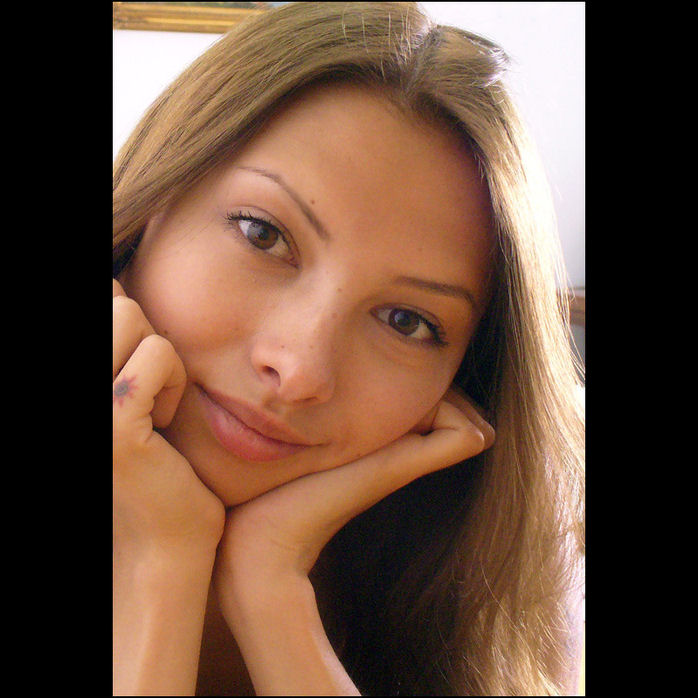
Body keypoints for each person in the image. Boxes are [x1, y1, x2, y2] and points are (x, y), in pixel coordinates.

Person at [113, 2, 585, 695]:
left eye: (406, 321)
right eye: (263, 235)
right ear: (150, 208)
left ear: (462, 380)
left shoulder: (496, 588)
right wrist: (160, 563)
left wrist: (272, 594)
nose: (299, 370)